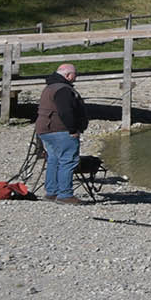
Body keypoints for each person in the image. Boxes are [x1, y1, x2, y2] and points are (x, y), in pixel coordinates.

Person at [33, 63, 87, 203]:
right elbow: (65, 112)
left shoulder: (50, 87)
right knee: (68, 160)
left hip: (45, 129)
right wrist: (73, 129)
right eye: (75, 74)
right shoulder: (63, 90)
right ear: (68, 75)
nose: (76, 77)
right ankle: (65, 194)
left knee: (54, 159)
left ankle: (52, 192)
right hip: (59, 130)